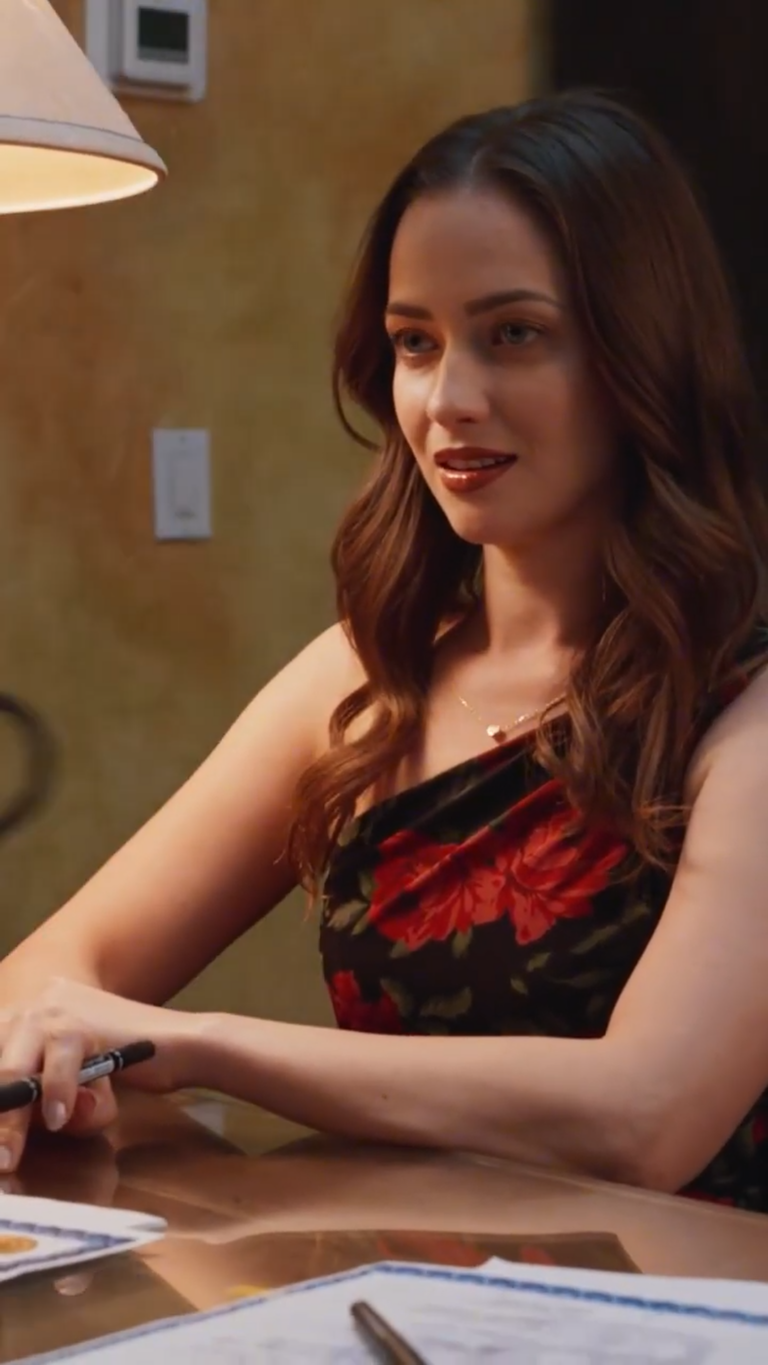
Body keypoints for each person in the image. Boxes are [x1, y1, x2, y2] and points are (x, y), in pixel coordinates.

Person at [2, 89, 768, 1211]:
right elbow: (49, 978)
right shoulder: (368, 677)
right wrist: (59, 1053)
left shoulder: (743, 702)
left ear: (640, 356)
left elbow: (644, 1119)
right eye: (417, 342)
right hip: (391, 1293)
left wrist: (202, 1044)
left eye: (516, 334)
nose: (449, 400)